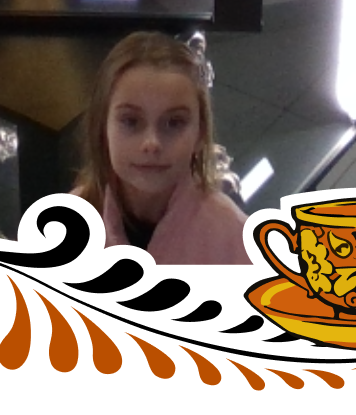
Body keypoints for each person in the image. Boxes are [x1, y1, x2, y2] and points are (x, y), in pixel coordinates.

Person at [72, 31, 250, 265]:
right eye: (131, 121)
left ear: (200, 133)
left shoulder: (236, 239)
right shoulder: (67, 223)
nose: (152, 143)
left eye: (174, 123)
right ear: (102, 126)